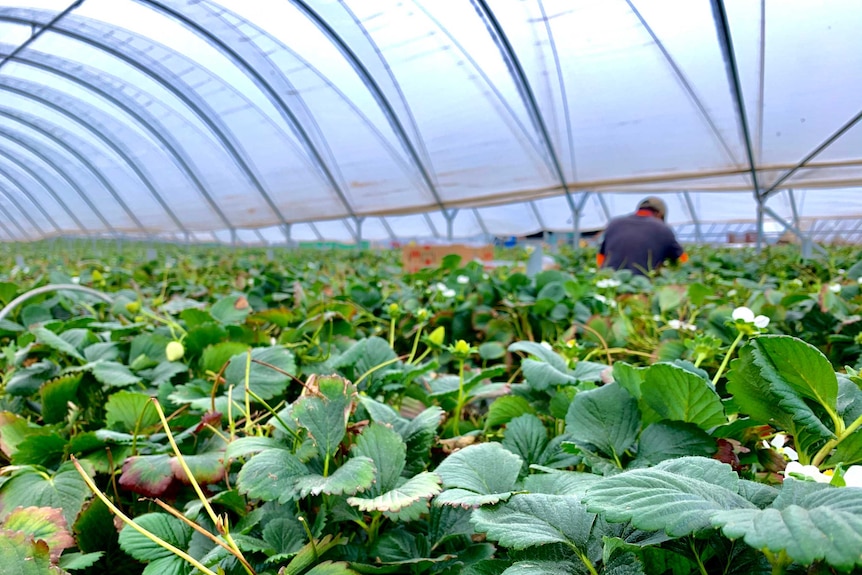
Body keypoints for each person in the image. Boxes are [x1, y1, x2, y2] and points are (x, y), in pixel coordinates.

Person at [596, 196, 688, 275]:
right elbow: (683, 261)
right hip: (643, 286)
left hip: (610, 282)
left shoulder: (614, 223)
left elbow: (601, 257)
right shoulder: (663, 229)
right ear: (659, 215)